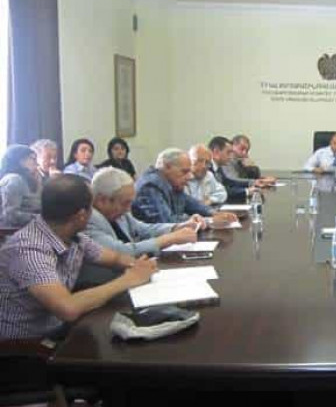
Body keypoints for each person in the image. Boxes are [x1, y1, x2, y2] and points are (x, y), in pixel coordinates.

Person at [0, 175, 158, 339]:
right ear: (82, 215)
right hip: (25, 344)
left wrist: (139, 266)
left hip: (56, 329)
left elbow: (115, 258)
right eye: (92, 208)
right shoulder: (29, 251)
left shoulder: (74, 237)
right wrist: (128, 280)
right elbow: (67, 308)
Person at [81, 168, 199, 288]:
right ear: (102, 200)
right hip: (104, 285)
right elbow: (121, 252)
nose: (128, 209)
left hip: (132, 276)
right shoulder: (87, 220)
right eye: (125, 203)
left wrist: (176, 227)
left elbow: (144, 229)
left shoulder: (117, 211)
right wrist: (170, 238)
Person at [132, 148, 237, 226]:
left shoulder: (172, 183)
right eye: (184, 172)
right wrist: (209, 221)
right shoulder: (150, 186)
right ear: (167, 167)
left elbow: (190, 203)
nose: (190, 176)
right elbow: (166, 222)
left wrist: (214, 213)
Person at [0, 145, 42, 227]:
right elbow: (11, 215)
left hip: (29, 227)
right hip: (13, 231)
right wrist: (41, 218)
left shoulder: (27, 179)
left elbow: (37, 204)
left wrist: (39, 184)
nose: (37, 163)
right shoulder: (14, 179)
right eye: (33, 159)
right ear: (21, 161)